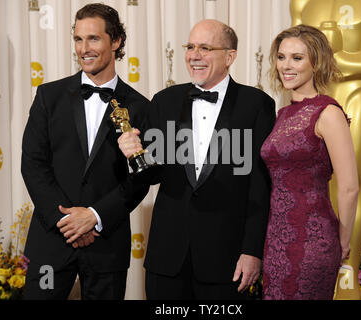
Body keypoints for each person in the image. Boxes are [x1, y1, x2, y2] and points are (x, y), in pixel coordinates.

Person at [118, 19, 276, 299]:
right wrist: (134, 155)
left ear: (230, 56)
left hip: (227, 260)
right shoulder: (164, 100)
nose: (194, 55)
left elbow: (260, 186)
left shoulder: (257, 105)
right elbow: (153, 174)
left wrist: (252, 251)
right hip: (167, 259)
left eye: (205, 47)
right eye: (190, 46)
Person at [21, 3, 149, 300]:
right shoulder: (48, 96)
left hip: (106, 245)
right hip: (52, 239)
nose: (84, 48)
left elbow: (141, 178)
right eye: (78, 39)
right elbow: (33, 165)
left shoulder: (141, 106)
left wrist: (94, 216)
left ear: (116, 41)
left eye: (93, 38)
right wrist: (68, 222)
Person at [290, 0, 361, 299]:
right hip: (308, 99)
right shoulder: (301, 2)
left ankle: (346, 272)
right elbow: (294, 58)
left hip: (353, 95)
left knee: (350, 183)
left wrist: (326, 57)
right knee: (307, 185)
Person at [261, 24, 358, 300]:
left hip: (314, 242)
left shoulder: (327, 112)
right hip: (277, 239)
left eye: (297, 58)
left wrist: (343, 242)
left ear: (317, 63)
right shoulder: (282, 115)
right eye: (281, 57)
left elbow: (349, 187)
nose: (286, 66)